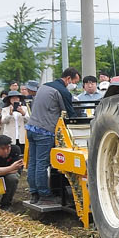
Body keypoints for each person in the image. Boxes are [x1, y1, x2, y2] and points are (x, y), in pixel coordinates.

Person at [25, 67, 78, 204]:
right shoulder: (62, 91)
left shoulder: (44, 86)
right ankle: (44, 194)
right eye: (74, 82)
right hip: (45, 131)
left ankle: (34, 193)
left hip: (31, 128)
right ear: (68, 79)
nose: (74, 85)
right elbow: (71, 114)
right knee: (42, 163)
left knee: (33, 162)